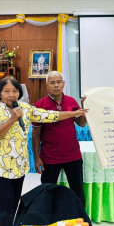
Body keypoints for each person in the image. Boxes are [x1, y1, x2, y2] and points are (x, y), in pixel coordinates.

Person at [0, 76, 88, 226]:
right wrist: (13, 118)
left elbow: (50, 116)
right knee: (5, 204)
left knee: (14, 202)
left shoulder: (24, 108)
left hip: (18, 167)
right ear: (0, 93)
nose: (11, 95)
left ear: (19, 93)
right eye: (6, 91)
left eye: (15, 91)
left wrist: (73, 114)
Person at [32, 71, 87, 207]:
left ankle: (80, 219)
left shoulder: (72, 101)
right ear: (47, 86)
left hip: (73, 156)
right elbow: (35, 134)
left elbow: (81, 124)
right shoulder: (40, 105)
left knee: (78, 191)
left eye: (58, 82)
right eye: (52, 83)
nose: (56, 85)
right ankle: (48, 218)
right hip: (50, 157)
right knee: (47, 191)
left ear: (63, 84)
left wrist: (83, 108)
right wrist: (37, 157)